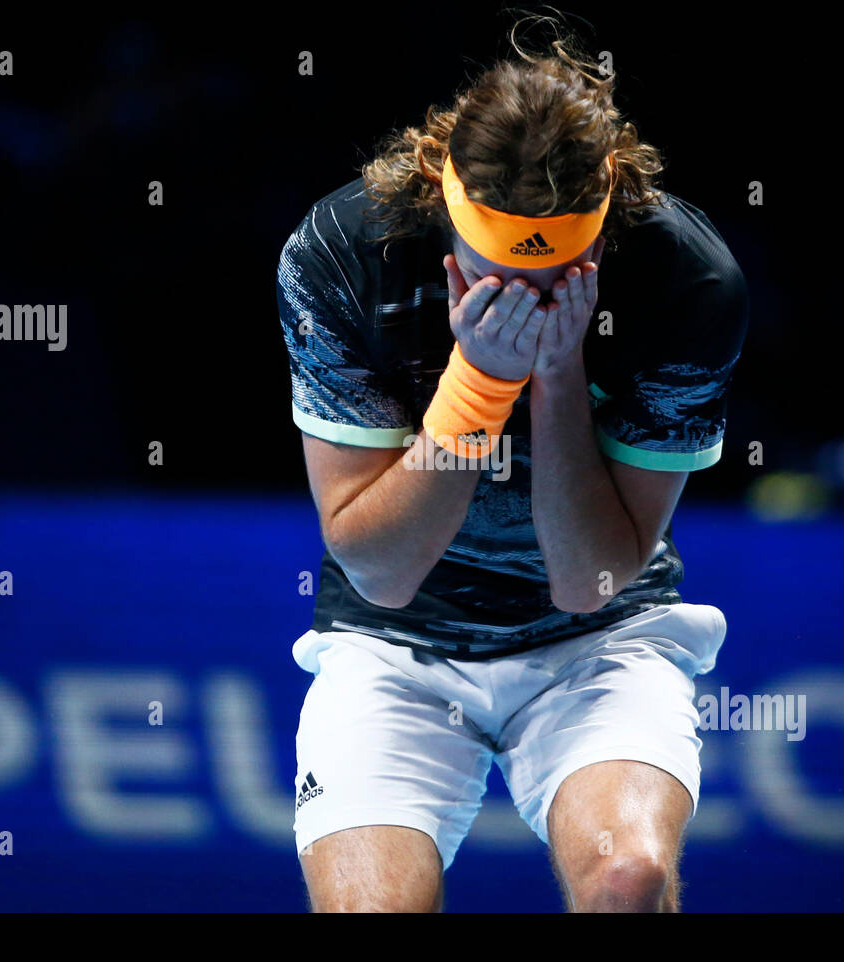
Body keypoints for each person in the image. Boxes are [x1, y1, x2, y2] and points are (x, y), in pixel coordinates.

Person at [275, 24, 748, 912]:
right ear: (450, 202)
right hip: (394, 646)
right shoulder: (339, 255)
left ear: (602, 224)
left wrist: (561, 374)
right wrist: (478, 384)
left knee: (629, 878)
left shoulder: (690, 282)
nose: (528, 295)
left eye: (561, 268)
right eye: (500, 270)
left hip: (601, 640)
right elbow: (378, 572)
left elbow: (588, 579)